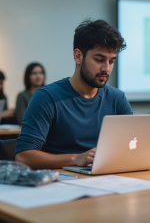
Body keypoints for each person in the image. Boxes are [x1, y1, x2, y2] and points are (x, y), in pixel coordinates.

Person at [15, 19, 133, 169]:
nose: (107, 68)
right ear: (78, 56)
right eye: (99, 60)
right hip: (62, 184)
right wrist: (75, 159)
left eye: (111, 61)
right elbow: (23, 157)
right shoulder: (46, 97)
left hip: (107, 179)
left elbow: (135, 148)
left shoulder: (117, 98)